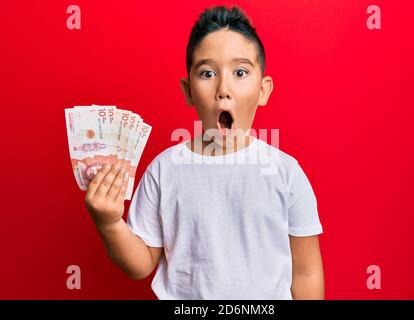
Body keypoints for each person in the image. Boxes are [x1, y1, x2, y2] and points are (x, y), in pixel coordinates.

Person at [85, 5, 324, 300]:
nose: (223, 89)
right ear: (188, 91)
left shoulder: (286, 173)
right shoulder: (164, 170)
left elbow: (307, 272)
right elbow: (141, 264)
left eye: (240, 72)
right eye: (208, 73)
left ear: (263, 90)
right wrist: (108, 222)